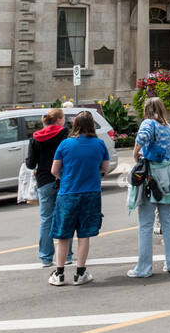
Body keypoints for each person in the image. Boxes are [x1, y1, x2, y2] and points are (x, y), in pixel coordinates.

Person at [47, 110, 109, 286]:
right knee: (84, 233)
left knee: (63, 235)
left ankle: (59, 273)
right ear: (91, 125)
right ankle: (80, 272)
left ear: (75, 125)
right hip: (91, 193)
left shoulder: (65, 144)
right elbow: (104, 167)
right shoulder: (99, 144)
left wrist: (65, 177)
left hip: (68, 193)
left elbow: (54, 170)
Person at [127, 96, 170, 278]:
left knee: (146, 223)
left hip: (150, 176)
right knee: (168, 221)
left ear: (146, 109)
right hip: (168, 176)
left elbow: (142, 137)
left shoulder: (148, 123)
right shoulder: (169, 127)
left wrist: (136, 152)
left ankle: (144, 269)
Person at [26, 107, 72, 267]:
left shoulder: (35, 138)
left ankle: (46, 257)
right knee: (65, 217)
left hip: (44, 181)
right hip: (64, 179)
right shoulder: (65, 135)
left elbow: (30, 164)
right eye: (63, 118)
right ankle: (67, 256)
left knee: (46, 219)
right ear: (59, 120)